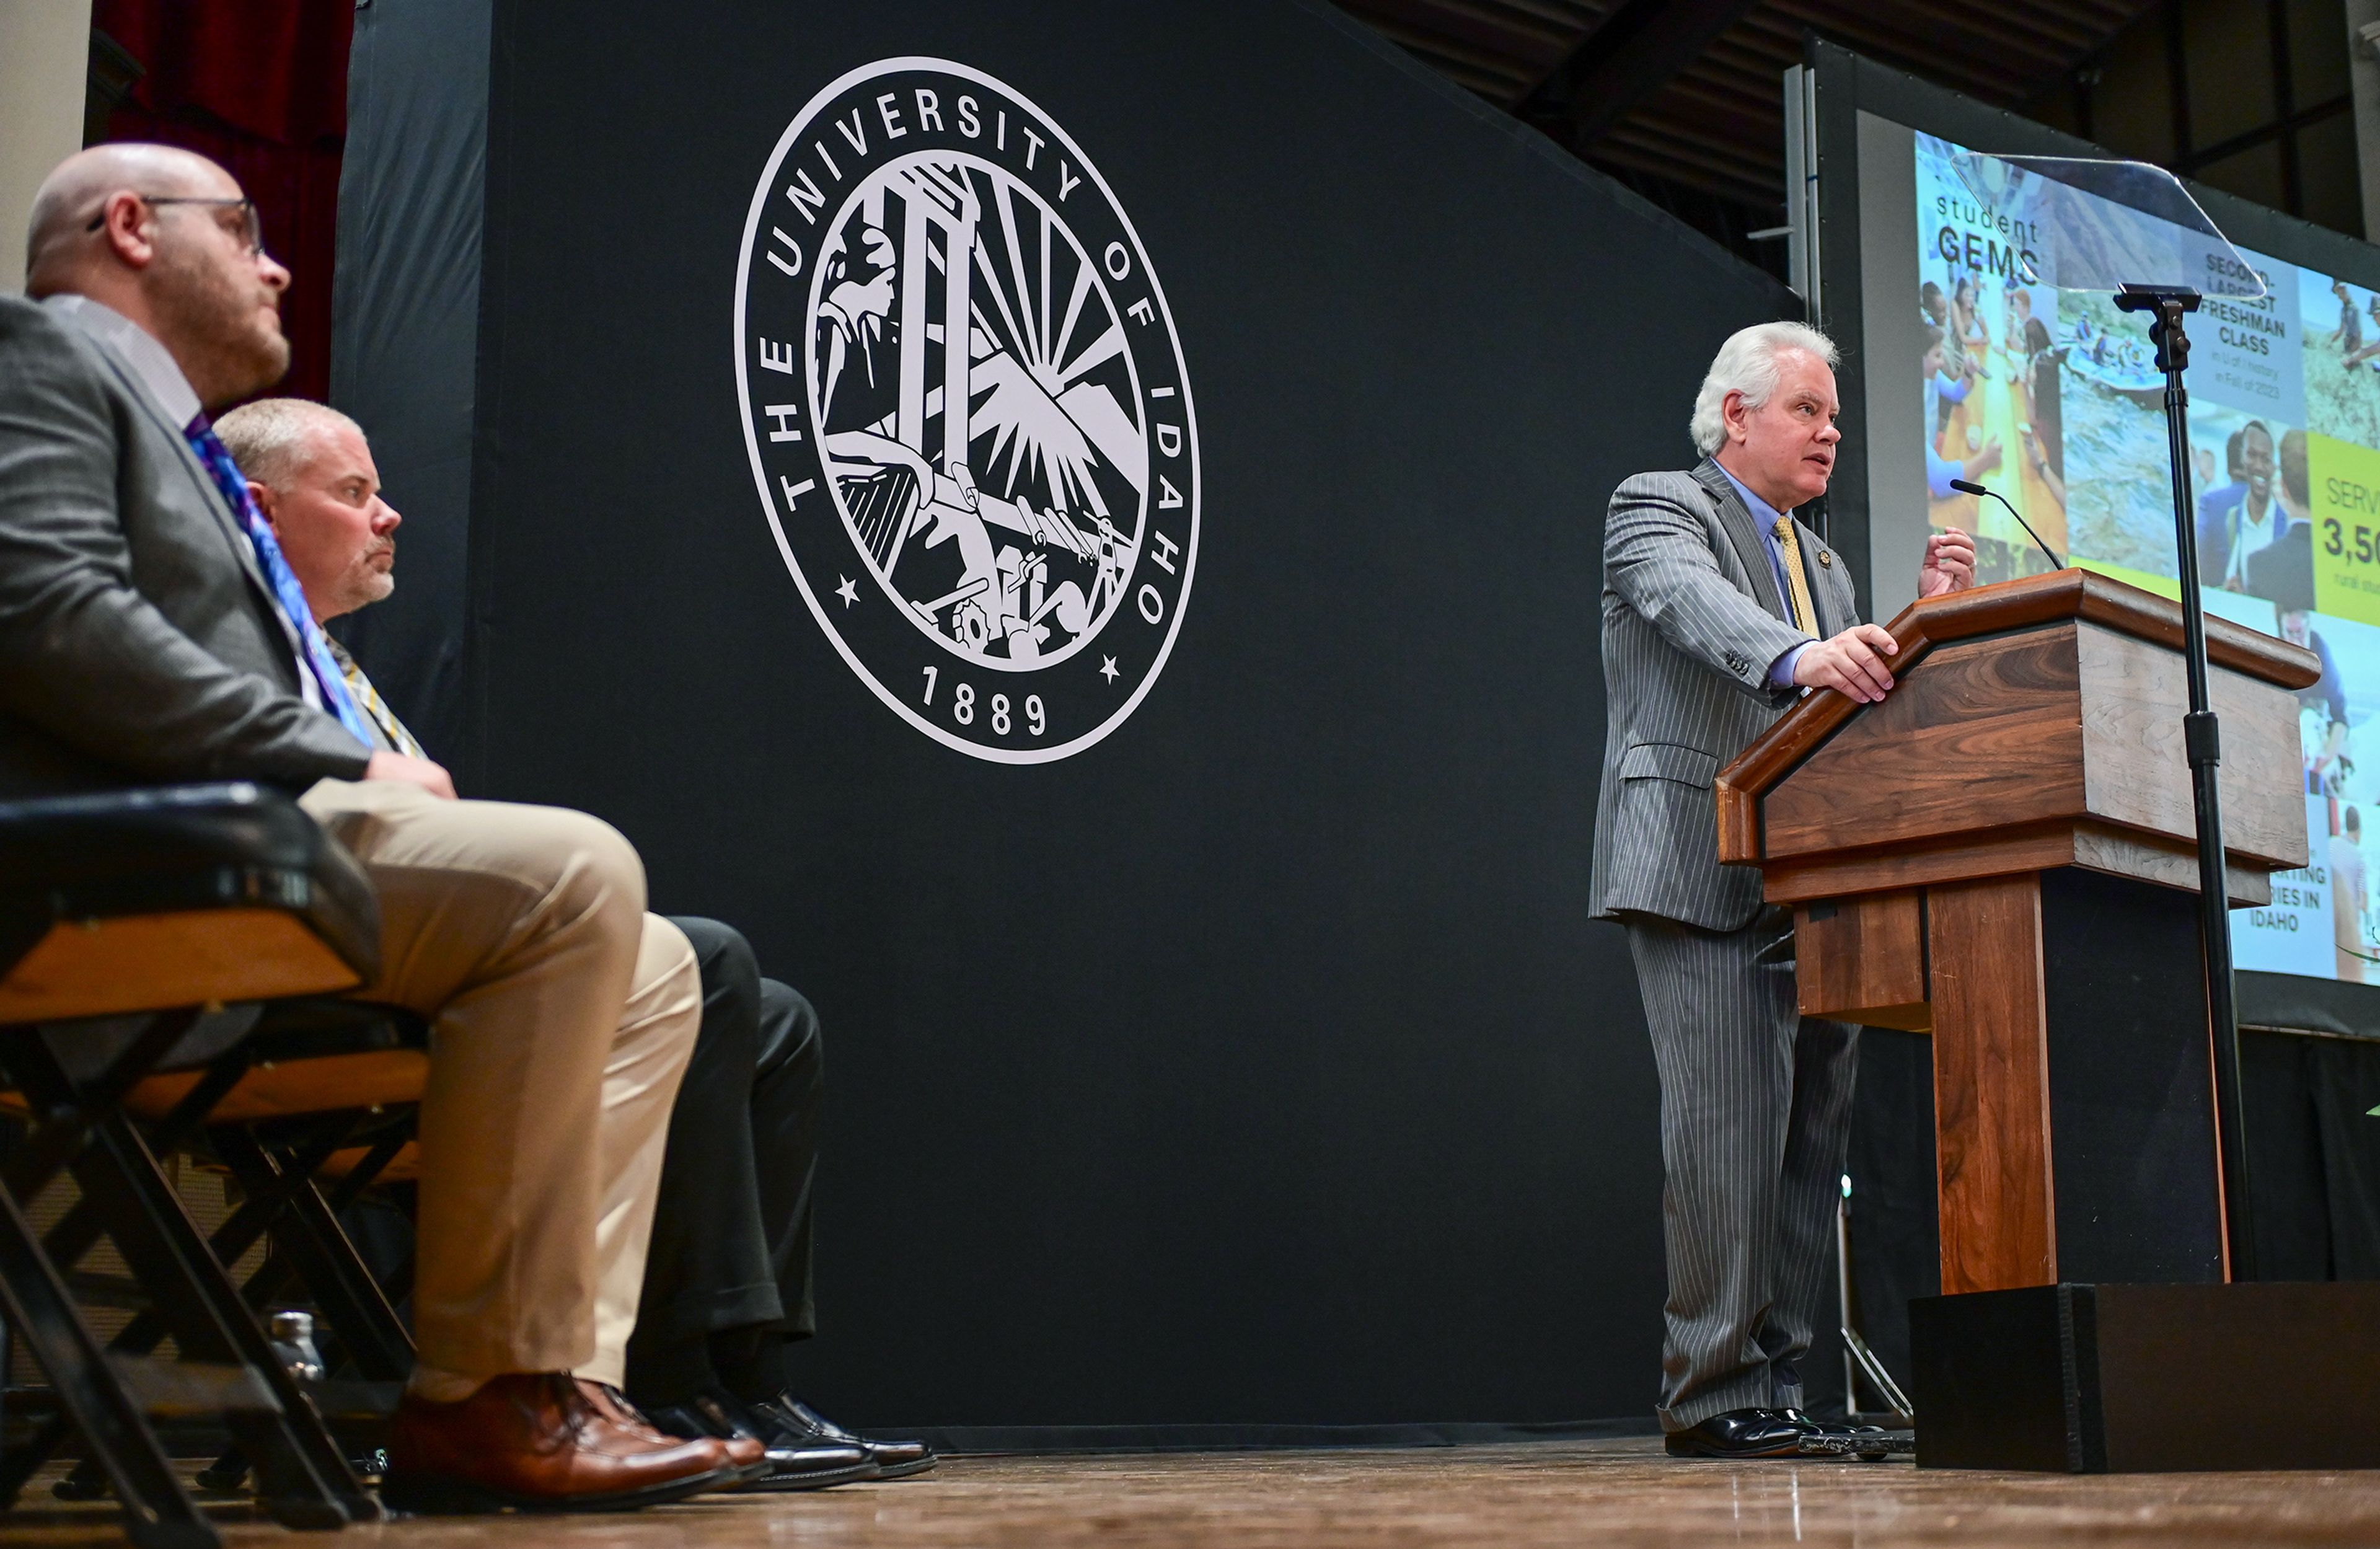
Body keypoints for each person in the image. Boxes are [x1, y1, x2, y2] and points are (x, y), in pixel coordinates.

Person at [0, 144, 738, 1512]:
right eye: (242, 228)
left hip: (228, 846)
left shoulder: (170, 434)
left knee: (652, 961)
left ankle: (561, 1377)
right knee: (577, 869)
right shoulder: (36, 355)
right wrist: (329, 750)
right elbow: (41, 612)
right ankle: (484, 1394)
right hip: (112, 868)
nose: (275, 263)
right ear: (128, 229)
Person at [213, 397, 932, 1488]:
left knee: (774, 1018)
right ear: (260, 513)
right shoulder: (227, 644)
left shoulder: (343, 670)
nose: (389, 514)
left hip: (407, 957)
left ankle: (745, 1368)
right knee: (707, 956)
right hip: (315, 979)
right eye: (355, 493)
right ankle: (667, 1369)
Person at [1592, 320, 1975, 1459]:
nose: (1831, 434)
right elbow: (1693, 611)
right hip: (1699, 866)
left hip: (1821, 886)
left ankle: (1777, 1384)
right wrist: (1803, 655)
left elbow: (1855, 700)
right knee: (1725, 1142)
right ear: (1739, 416)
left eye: (1836, 417)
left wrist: (1918, 619)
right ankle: (1710, 1396)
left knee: (1811, 1146)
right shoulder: (1659, 505)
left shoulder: (1828, 563)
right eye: (1809, 411)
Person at [2198, 420, 2278, 591]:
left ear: (2228, 466)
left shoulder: (2210, 502)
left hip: (2215, 610)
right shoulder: (2280, 511)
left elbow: (2200, 567)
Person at [1924, 327, 2001, 499]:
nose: (1942, 362)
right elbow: (1943, 483)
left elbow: (1955, 392)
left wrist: (1968, 372)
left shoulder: (1931, 375)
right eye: (1937, 356)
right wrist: (1986, 459)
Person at [2334, 808, 2369, 984]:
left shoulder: (2331, 845)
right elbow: (2363, 902)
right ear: (2359, 830)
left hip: (2332, 922)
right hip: (2348, 928)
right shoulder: (2358, 857)